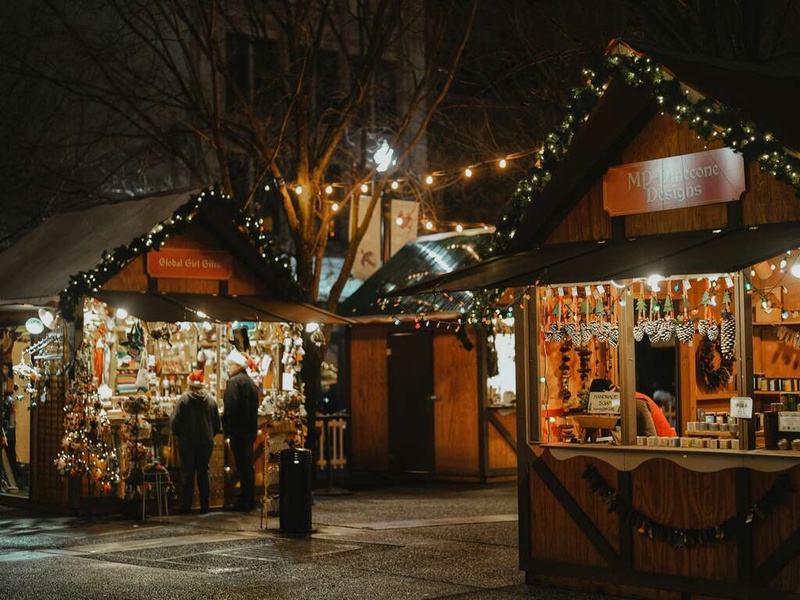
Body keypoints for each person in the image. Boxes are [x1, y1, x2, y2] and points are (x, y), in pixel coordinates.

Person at [170, 367, 221, 513]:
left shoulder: (184, 400)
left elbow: (175, 422)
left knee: (188, 472)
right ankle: (205, 505)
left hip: (187, 441)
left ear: (189, 385)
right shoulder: (211, 401)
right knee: (204, 471)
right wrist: (210, 434)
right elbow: (217, 424)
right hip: (206, 442)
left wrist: (178, 434)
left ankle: (187, 505)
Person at [222, 348, 260, 511]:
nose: (228, 368)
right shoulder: (250, 382)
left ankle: (244, 500)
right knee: (247, 466)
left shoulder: (234, 382)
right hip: (250, 429)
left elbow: (231, 406)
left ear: (236, 365)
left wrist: (227, 426)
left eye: (230, 365)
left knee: (242, 465)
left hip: (239, 430)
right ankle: (249, 497)